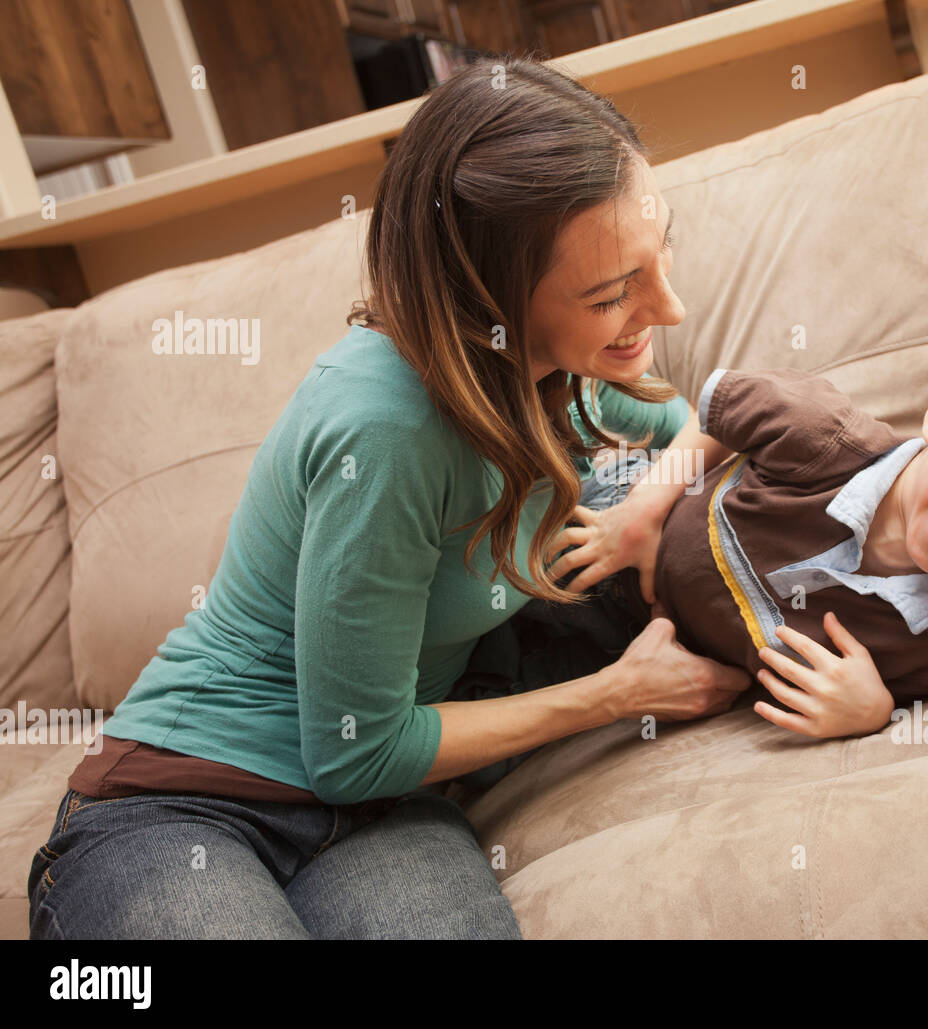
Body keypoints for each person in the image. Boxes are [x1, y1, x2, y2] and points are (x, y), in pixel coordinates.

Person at [27, 55, 750, 941]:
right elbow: (355, 749)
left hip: (383, 806)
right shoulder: (389, 425)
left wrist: (647, 503)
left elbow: (708, 417)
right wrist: (616, 693)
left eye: (660, 249)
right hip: (186, 800)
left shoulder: (562, 378)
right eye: (611, 293)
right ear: (487, 299)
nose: (668, 307)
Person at [528, 333, 928, 740]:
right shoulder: (825, 437)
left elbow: (897, 703)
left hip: (637, 652)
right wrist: (645, 506)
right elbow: (720, 405)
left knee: (502, 703)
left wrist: (876, 712)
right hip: (617, 531)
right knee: (499, 581)